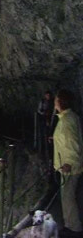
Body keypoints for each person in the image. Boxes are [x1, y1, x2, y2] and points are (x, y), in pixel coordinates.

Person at [52, 89, 83, 238]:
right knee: (67, 197)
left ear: (60, 102)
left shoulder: (67, 120)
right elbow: (66, 139)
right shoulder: (69, 117)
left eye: (56, 99)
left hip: (69, 167)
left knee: (68, 197)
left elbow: (73, 143)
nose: (54, 102)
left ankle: (74, 228)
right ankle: (70, 225)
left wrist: (69, 162)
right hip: (68, 165)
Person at [37, 91, 54, 155]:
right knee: (44, 132)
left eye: (49, 95)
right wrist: (44, 113)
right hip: (44, 118)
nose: (48, 97)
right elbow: (39, 110)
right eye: (47, 95)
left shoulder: (52, 102)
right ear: (45, 96)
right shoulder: (42, 102)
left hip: (51, 117)